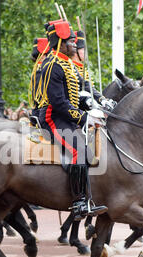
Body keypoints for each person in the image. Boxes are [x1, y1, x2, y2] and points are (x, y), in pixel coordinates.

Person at [37, 21, 107, 221]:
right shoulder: (52, 65)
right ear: (60, 43)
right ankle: (78, 202)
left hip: (67, 117)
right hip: (53, 118)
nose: (75, 46)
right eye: (70, 42)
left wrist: (89, 103)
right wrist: (84, 117)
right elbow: (58, 102)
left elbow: (75, 95)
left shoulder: (66, 63)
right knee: (79, 150)